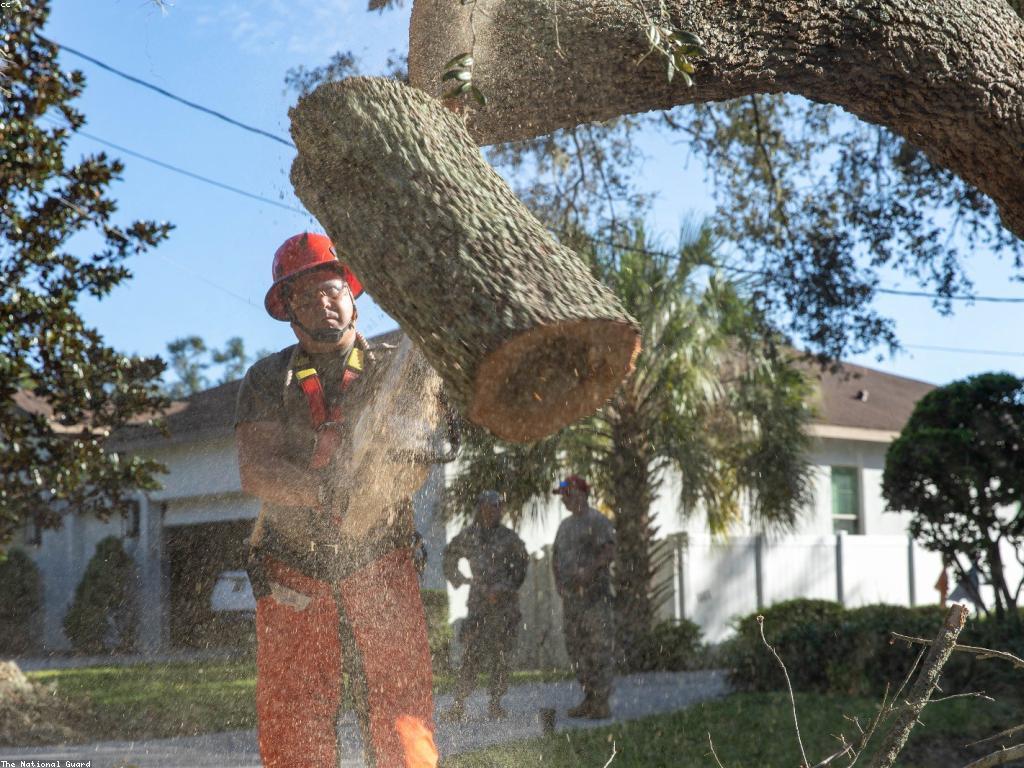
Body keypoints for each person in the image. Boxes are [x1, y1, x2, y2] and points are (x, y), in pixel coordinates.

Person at [235, 232, 438, 768]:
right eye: (305, 297)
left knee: (402, 707)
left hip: (380, 553)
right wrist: (325, 488)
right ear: (287, 309)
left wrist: (396, 463)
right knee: (293, 711)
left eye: (331, 291)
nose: (322, 303)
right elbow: (256, 470)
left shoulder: (396, 368)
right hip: (292, 561)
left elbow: (419, 454)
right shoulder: (267, 378)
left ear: (351, 295)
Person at [440, 490, 529, 722]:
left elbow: (521, 568)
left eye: (497, 505)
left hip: (504, 606)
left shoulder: (510, 539)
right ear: (480, 507)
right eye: (489, 505)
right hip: (478, 606)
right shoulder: (470, 535)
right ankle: (459, 705)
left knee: (501, 654)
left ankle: (496, 704)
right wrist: (461, 580)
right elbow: (449, 556)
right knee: (471, 655)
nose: (493, 509)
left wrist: (503, 587)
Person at [551, 474, 616, 719]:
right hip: (572, 600)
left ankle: (602, 702)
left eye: (567, 494)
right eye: (562, 496)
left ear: (581, 493)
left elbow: (609, 551)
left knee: (598, 649)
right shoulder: (565, 526)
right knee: (576, 650)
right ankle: (589, 699)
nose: (564, 500)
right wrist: (558, 582)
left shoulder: (597, 521)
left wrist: (589, 571)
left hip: (594, 598)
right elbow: (555, 557)